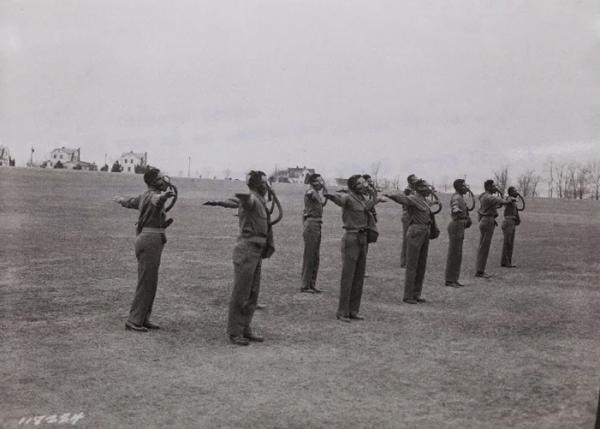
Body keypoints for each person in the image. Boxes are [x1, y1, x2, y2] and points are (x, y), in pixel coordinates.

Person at [204, 170, 280, 346]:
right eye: (264, 182)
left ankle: (245, 327)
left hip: (257, 251)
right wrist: (241, 197)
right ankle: (235, 332)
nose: (266, 185)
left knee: (252, 293)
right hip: (247, 250)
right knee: (241, 293)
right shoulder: (252, 199)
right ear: (256, 184)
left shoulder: (261, 201)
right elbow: (244, 201)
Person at [113, 167, 175, 332]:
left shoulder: (143, 196)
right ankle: (134, 320)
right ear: (154, 181)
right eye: (161, 178)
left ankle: (143, 318)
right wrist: (164, 196)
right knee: (146, 282)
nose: (164, 181)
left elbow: (130, 202)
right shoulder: (153, 196)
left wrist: (120, 200)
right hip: (150, 241)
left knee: (150, 282)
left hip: (149, 240)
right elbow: (157, 200)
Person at [324, 175, 379, 322]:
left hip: (362, 238)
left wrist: (374, 194)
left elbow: (368, 206)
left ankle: (354, 310)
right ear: (354, 186)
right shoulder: (348, 198)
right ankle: (342, 312)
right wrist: (330, 195)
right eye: (361, 183)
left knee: (359, 276)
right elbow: (339, 199)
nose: (364, 185)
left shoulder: (361, 199)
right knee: (348, 277)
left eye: (364, 182)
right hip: (352, 238)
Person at [384, 179, 434, 304]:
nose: (429, 189)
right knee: (412, 265)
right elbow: (401, 199)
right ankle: (408, 296)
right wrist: (390, 194)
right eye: (426, 187)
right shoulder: (413, 198)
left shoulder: (424, 200)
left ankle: (416, 294)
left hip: (424, 231)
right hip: (415, 231)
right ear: (420, 189)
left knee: (421, 264)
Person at [475, 179, 513, 278]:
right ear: (488, 187)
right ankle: (480, 271)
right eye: (492, 186)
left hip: (486, 220)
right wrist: (505, 196)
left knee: (483, 246)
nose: (494, 187)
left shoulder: (484, 195)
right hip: (487, 221)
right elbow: (502, 201)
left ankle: (480, 269)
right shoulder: (488, 197)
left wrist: (499, 192)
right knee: (484, 247)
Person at [301, 173, 328, 293]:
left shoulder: (317, 193)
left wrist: (325, 188)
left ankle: (311, 284)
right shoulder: (311, 192)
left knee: (315, 256)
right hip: (312, 224)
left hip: (317, 224)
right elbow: (309, 193)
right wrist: (312, 186)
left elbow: (322, 204)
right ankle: (305, 285)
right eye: (318, 181)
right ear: (312, 183)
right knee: (309, 255)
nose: (321, 183)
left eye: (321, 181)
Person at [444, 179, 473, 288]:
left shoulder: (460, 197)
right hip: (456, 226)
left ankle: (454, 279)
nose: (466, 187)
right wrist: (456, 210)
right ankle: (450, 280)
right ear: (459, 187)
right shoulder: (457, 197)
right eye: (464, 186)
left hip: (459, 226)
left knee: (457, 254)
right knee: (454, 254)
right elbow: (454, 205)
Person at [400, 174, 418, 268]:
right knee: (406, 239)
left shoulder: (415, 190)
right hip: (407, 215)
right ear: (410, 181)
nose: (416, 181)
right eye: (414, 180)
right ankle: (404, 261)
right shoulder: (408, 191)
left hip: (413, 215)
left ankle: (409, 260)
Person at [500, 186, 521, 268]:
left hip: (512, 222)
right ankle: (506, 262)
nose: (516, 192)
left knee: (510, 243)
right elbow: (507, 200)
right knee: (507, 242)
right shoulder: (509, 198)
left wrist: (518, 219)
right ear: (511, 192)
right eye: (515, 191)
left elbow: (516, 211)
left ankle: (506, 261)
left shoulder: (514, 201)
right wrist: (512, 199)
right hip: (508, 222)